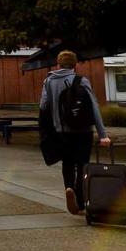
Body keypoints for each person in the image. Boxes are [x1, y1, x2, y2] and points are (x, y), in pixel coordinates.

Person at [39, 50, 110, 215]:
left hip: (61, 131)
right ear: (75, 65)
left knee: (68, 163)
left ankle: (69, 188)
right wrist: (103, 134)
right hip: (83, 130)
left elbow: (43, 106)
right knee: (82, 164)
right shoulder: (82, 80)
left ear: (58, 64)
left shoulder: (49, 81)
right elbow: (94, 106)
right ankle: (80, 199)